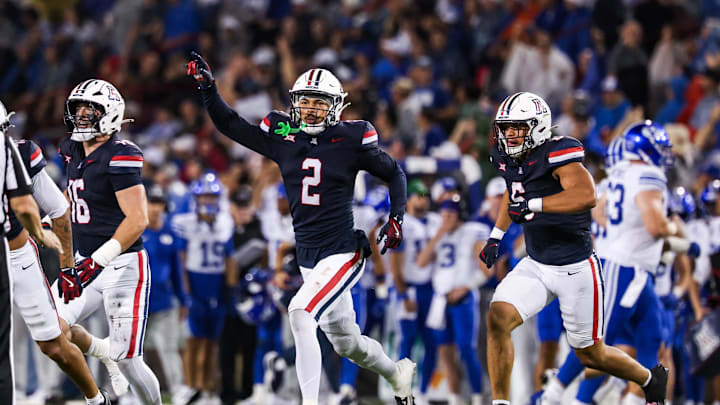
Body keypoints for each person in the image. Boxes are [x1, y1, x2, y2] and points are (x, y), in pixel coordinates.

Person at [188, 52, 415, 404]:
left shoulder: (353, 137)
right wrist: (209, 89)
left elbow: (395, 173)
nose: (310, 109)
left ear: (336, 107)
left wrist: (396, 218)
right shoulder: (284, 135)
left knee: (301, 312)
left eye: (319, 103)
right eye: (304, 101)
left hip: (343, 251)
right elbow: (231, 124)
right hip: (308, 255)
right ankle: (395, 373)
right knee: (348, 343)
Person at [478, 92, 668, 405]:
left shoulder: (557, 152)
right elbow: (512, 195)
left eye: (517, 127)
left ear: (538, 126)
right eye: (506, 127)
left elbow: (586, 195)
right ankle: (501, 403)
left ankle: (649, 378)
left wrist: (535, 205)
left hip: (575, 268)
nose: (509, 134)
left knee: (592, 354)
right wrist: (496, 236)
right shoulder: (506, 156)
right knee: (497, 317)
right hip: (537, 262)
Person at [53, 79, 162, 405]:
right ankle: (103, 356)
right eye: (79, 108)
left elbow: (138, 219)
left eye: (91, 109)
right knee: (52, 330)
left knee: (130, 360)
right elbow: (71, 198)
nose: (83, 115)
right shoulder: (71, 149)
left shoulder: (121, 155)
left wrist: (96, 262)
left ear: (110, 114)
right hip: (86, 262)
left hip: (123, 265)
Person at [5, 134, 111, 405]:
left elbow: (58, 208)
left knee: (53, 343)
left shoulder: (18, 152)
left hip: (17, 257)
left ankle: (96, 399)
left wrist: (67, 269)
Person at [0, 100, 63, 405]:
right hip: (12, 248)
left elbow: (54, 204)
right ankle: (21, 389)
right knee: (14, 334)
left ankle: (49, 388)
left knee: (46, 330)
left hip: (33, 248)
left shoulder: (25, 152)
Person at [417, 194, 490, 405]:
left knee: (466, 349)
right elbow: (421, 261)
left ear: (459, 215)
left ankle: (477, 396)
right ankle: (455, 397)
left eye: (450, 214)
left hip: (464, 300)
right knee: (445, 353)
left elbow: (487, 269)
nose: (446, 218)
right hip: (440, 301)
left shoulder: (473, 232)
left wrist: (466, 287)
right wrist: (439, 233)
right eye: (443, 214)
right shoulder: (437, 234)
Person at [172, 172, 236, 404]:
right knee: (193, 340)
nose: (208, 201)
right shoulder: (186, 223)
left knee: (211, 341)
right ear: (196, 199)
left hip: (216, 284)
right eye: (204, 197)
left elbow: (230, 258)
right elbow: (181, 258)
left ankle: (206, 388)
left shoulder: (225, 222)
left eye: (212, 197)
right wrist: (186, 292)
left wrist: (231, 288)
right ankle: (190, 386)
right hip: (196, 282)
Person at [389, 179, 440, 403]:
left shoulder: (436, 221)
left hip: (431, 288)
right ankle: (402, 392)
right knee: (408, 340)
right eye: (419, 195)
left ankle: (424, 391)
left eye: (426, 195)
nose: (424, 199)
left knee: (431, 341)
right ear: (409, 199)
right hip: (409, 288)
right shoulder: (402, 223)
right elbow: (395, 262)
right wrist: (402, 293)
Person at [142, 184, 188, 405]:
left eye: (159, 203)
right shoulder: (135, 230)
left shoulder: (169, 231)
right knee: (133, 354)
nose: (156, 208)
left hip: (164, 301)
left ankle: (178, 390)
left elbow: (177, 270)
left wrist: (183, 299)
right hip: (138, 303)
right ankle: (134, 394)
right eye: (152, 202)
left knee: (169, 349)